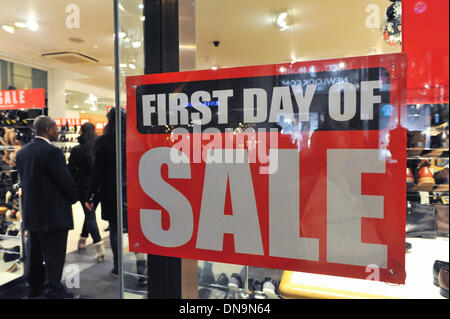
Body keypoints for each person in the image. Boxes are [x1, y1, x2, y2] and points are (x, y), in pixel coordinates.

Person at [16, 116, 79, 299]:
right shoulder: (52, 152)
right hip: (54, 215)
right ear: (49, 130)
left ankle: (34, 289)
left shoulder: (22, 153)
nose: (58, 131)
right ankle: (53, 291)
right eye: (56, 128)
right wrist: (74, 197)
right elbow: (65, 181)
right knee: (54, 256)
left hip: (31, 213)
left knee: (34, 255)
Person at [86, 108, 147, 284]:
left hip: (111, 188)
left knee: (114, 227)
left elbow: (97, 170)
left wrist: (91, 194)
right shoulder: (134, 138)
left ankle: (117, 267)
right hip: (134, 186)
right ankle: (141, 267)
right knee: (136, 227)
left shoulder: (103, 141)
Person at [68, 122, 105, 262]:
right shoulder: (99, 147)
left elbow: (70, 170)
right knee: (90, 214)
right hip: (99, 187)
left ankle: (99, 248)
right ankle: (83, 238)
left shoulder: (77, 150)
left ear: (81, 132)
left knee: (89, 216)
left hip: (84, 188)